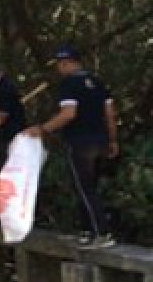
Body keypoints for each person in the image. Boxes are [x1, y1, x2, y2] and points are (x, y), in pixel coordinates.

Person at [23, 44, 118, 248]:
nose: (59, 69)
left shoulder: (69, 84)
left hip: (80, 141)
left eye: (59, 64)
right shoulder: (97, 82)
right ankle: (87, 230)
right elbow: (109, 113)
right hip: (99, 139)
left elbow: (68, 114)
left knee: (84, 188)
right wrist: (112, 140)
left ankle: (102, 232)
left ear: (66, 63)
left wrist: (43, 129)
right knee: (89, 187)